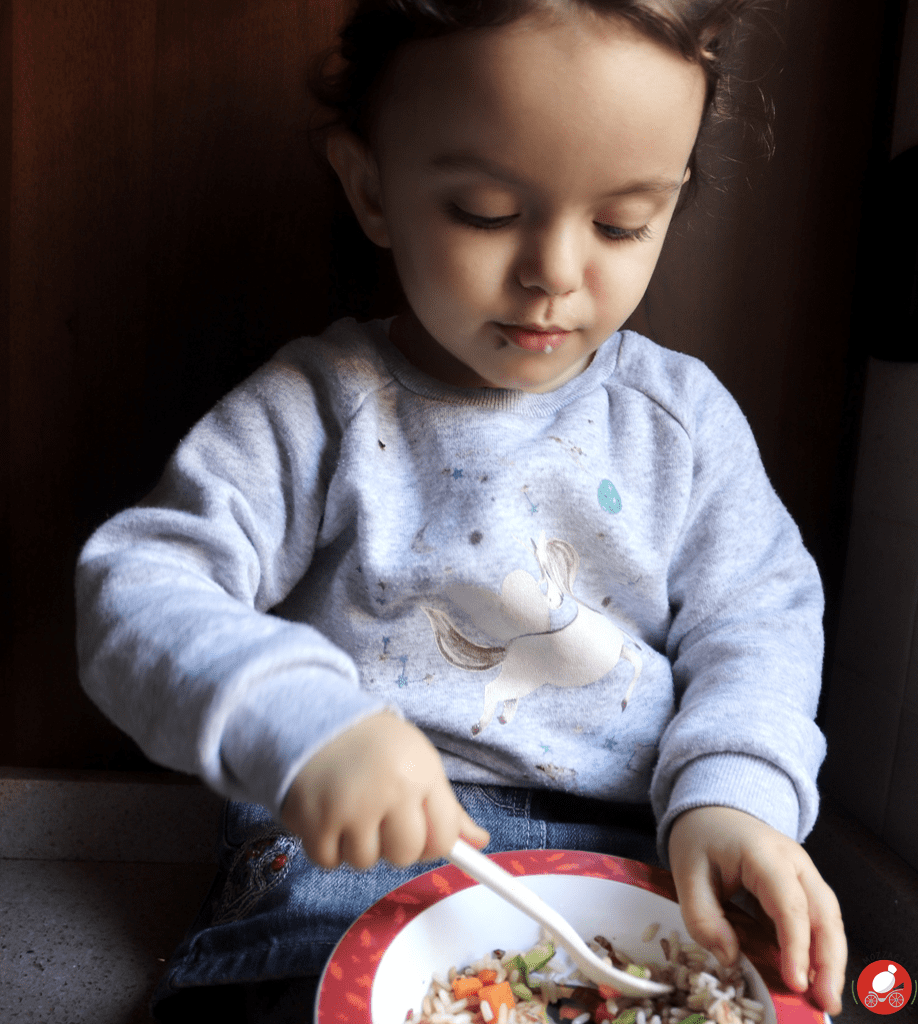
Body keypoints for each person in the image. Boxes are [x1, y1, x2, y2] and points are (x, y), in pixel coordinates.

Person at [75, 1, 848, 1020]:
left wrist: (733, 796)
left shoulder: (682, 422)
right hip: (360, 860)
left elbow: (757, 619)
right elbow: (138, 585)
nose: (554, 275)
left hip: (634, 844)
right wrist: (305, 723)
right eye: (486, 211)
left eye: (621, 223)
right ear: (372, 189)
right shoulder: (317, 410)